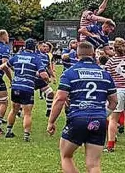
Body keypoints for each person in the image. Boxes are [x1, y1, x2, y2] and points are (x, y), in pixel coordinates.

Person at [47, 42, 117, 173]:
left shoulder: (69, 73)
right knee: (94, 164)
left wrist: (51, 121)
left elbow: (60, 98)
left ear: (77, 55)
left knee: (66, 156)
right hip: (99, 120)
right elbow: (114, 101)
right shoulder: (105, 74)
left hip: (78, 118)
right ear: (93, 54)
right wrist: (103, 115)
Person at [0, 38, 49, 141]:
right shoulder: (36, 58)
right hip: (27, 88)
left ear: (25, 46)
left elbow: (3, 66)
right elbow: (43, 75)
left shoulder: (17, 56)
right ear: (34, 47)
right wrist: (47, 80)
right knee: (27, 113)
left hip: (16, 86)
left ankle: (8, 131)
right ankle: (26, 135)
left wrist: (13, 70)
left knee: (13, 110)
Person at [35, 41, 55, 117]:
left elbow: (48, 67)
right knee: (26, 95)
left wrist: (53, 76)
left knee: (50, 93)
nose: (45, 48)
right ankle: (18, 112)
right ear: (39, 47)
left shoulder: (46, 56)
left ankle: (49, 110)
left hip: (40, 79)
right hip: (32, 78)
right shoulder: (35, 53)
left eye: (46, 46)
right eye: (44, 46)